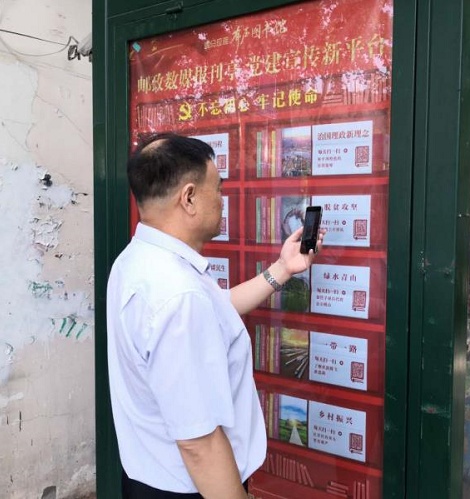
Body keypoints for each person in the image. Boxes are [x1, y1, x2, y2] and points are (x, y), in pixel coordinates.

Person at [106, 133, 324, 498]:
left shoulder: (138, 261)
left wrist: (283, 268)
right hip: (192, 489)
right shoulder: (179, 295)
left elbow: (216, 309)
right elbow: (199, 443)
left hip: (149, 479)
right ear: (189, 198)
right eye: (218, 189)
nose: (222, 200)